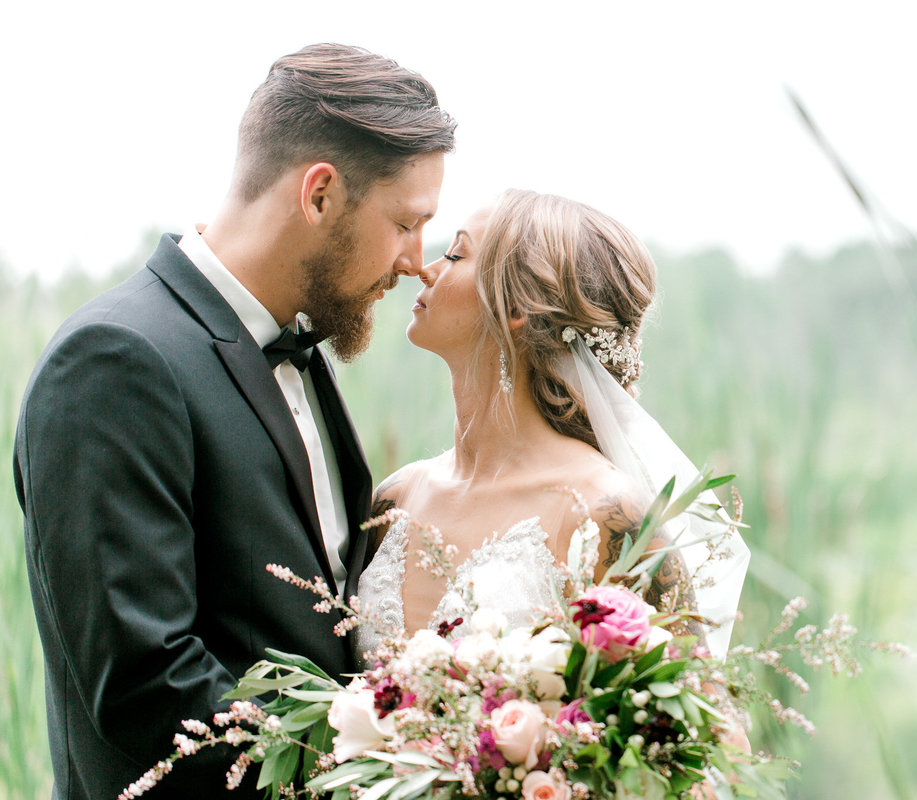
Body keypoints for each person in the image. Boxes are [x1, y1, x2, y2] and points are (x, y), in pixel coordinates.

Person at [13, 44, 455, 799]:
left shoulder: (304, 349)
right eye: (406, 223)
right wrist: (389, 766)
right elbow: (146, 688)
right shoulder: (116, 360)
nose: (417, 260)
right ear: (319, 194)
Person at [358, 189, 749, 661]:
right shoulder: (395, 499)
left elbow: (709, 729)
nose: (426, 268)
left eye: (456, 254)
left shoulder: (604, 513)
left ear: (517, 310)